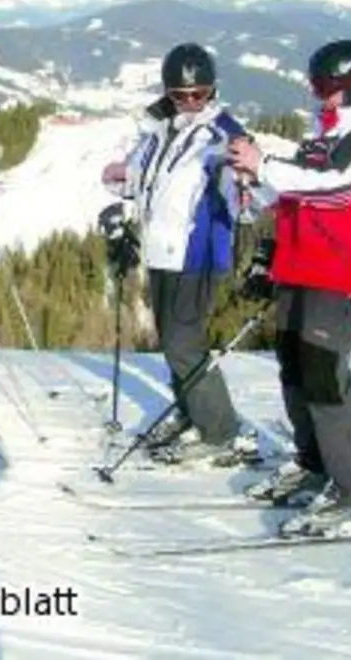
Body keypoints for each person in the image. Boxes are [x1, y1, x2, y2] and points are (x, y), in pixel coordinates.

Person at [226, 39, 351, 536]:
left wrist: (263, 165)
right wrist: (256, 180)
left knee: (325, 378)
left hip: (337, 269)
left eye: (327, 86)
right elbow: (302, 181)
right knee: (295, 370)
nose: (318, 94)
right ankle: (315, 465)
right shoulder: (331, 128)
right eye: (315, 85)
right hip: (300, 262)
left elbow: (336, 183)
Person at [99, 43, 262, 467]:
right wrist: (121, 180)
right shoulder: (160, 129)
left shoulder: (224, 135)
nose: (190, 102)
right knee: (171, 341)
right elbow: (147, 180)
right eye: (180, 94)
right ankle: (191, 412)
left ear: (212, 90)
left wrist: (245, 188)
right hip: (160, 249)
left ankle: (221, 431)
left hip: (197, 251)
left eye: (199, 94)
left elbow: (249, 190)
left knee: (183, 344)